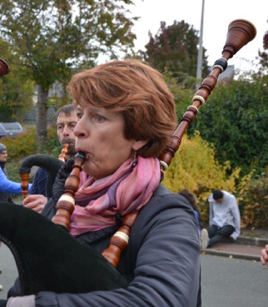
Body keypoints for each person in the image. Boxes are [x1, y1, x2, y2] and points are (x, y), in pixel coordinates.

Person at [6, 60, 201, 307]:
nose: (78, 129)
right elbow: (24, 288)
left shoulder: (167, 217)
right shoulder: (61, 201)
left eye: (98, 117)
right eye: (82, 114)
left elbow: (162, 300)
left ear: (139, 135)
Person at [23, 104, 79, 213]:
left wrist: (49, 205)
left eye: (72, 125)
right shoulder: (44, 171)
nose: (65, 132)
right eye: (60, 127)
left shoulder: (93, 171)